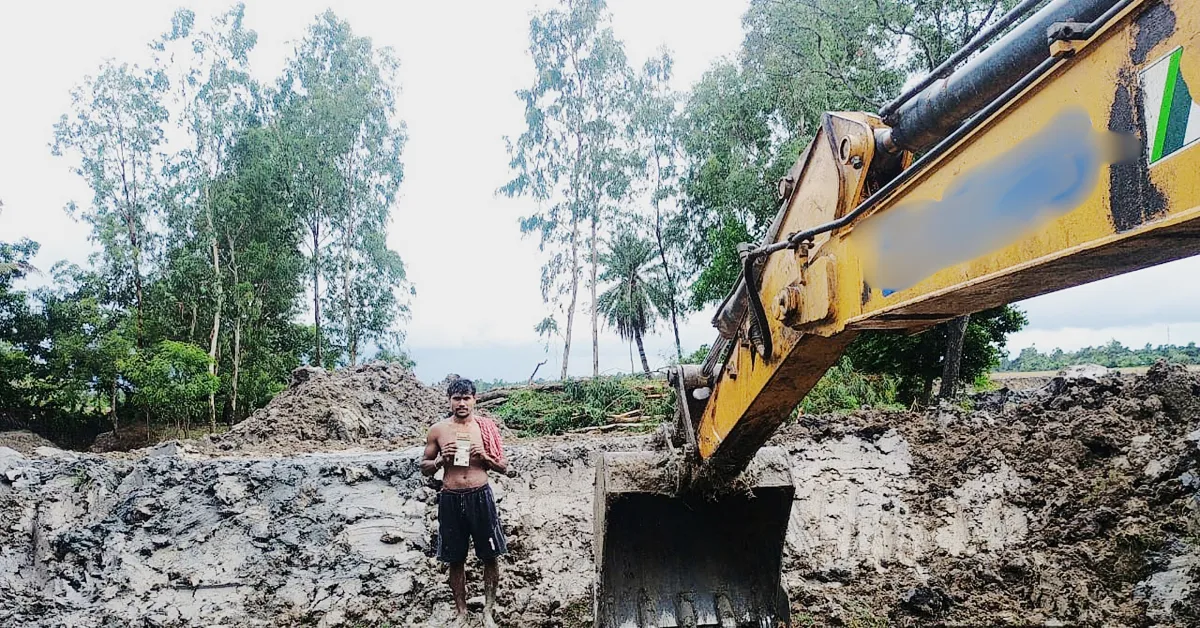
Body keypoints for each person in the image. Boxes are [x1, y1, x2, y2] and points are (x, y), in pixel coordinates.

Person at [421, 378, 508, 628]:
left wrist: (485, 458)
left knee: (490, 555)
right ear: (449, 400)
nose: (461, 403)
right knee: (455, 558)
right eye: (456, 398)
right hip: (450, 498)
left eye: (466, 398)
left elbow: (503, 467)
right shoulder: (438, 430)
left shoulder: (486, 428)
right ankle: (461, 612)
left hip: (480, 496)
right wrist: (440, 461)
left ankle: (488, 611)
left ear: (474, 400)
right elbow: (423, 467)